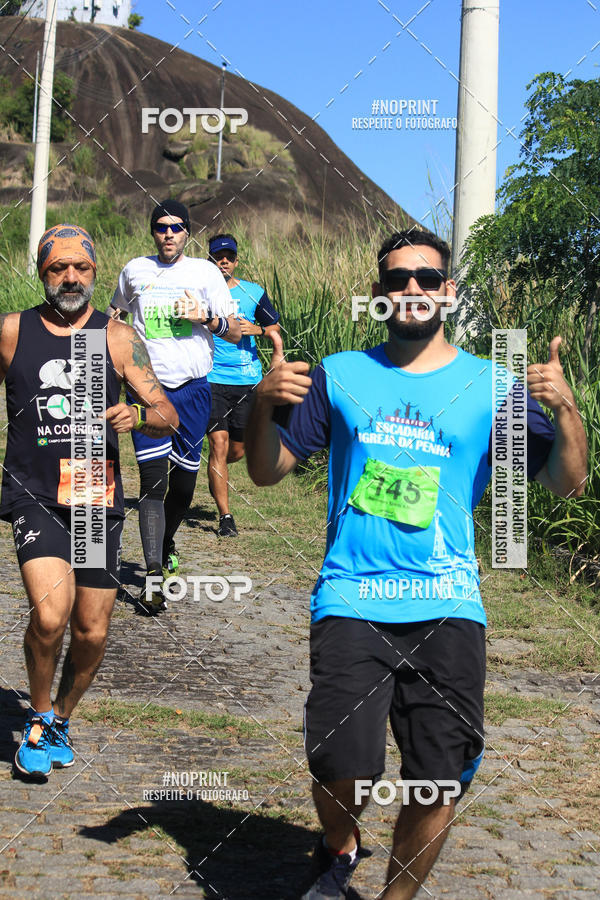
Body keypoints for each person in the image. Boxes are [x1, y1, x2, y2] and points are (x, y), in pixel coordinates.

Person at [245, 229, 587, 899]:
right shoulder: (340, 374)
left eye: (427, 279)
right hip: (352, 596)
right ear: (378, 294)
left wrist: (567, 410)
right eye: (399, 279)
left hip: (449, 602)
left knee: (437, 775)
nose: (413, 289)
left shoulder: (493, 386)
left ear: (448, 292)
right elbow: (265, 472)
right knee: (341, 760)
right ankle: (339, 843)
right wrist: (262, 403)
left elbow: (565, 484)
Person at [0, 224, 178, 778]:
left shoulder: (116, 338)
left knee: (92, 631)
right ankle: (38, 714)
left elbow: (168, 412)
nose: (69, 277)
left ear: (95, 272)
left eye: (80, 267)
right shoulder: (12, 331)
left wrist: (137, 415)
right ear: (43, 273)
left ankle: (61, 719)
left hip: (93, 495)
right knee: (50, 617)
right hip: (34, 494)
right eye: (57, 268)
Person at [109, 201, 241, 612]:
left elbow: (235, 331)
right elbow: (115, 315)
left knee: (183, 486)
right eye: (161, 227)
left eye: (177, 228)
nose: (169, 234)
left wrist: (207, 318)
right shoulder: (134, 271)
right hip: (148, 390)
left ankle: (165, 544)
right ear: (153, 232)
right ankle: (152, 578)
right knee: (153, 482)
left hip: (194, 390)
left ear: (187, 233)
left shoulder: (205, 273)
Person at [206, 233, 281, 536]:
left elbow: (275, 327)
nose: (223, 260)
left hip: (247, 380)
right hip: (211, 378)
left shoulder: (254, 292)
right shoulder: (201, 291)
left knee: (237, 450)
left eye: (228, 256)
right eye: (218, 256)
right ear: (210, 261)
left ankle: (217, 468)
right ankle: (225, 517)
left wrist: (258, 329)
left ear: (236, 261)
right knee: (218, 445)